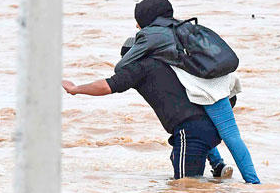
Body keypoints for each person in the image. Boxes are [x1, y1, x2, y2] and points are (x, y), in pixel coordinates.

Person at [117, 0, 261, 184]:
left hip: (209, 90)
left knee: (229, 135)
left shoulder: (151, 35)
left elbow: (122, 66)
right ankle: (218, 165)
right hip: (218, 81)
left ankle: (254, 183)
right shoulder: (179, 26)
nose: (137, 26)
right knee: (199, 126)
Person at [62, 36, 231, 181]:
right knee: (186, 181)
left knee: (186, 188)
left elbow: (106, 86)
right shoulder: (166, 62)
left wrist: (75, 89)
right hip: (206, 123)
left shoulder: (140, 68)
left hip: (189, 130)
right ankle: (219, 172)